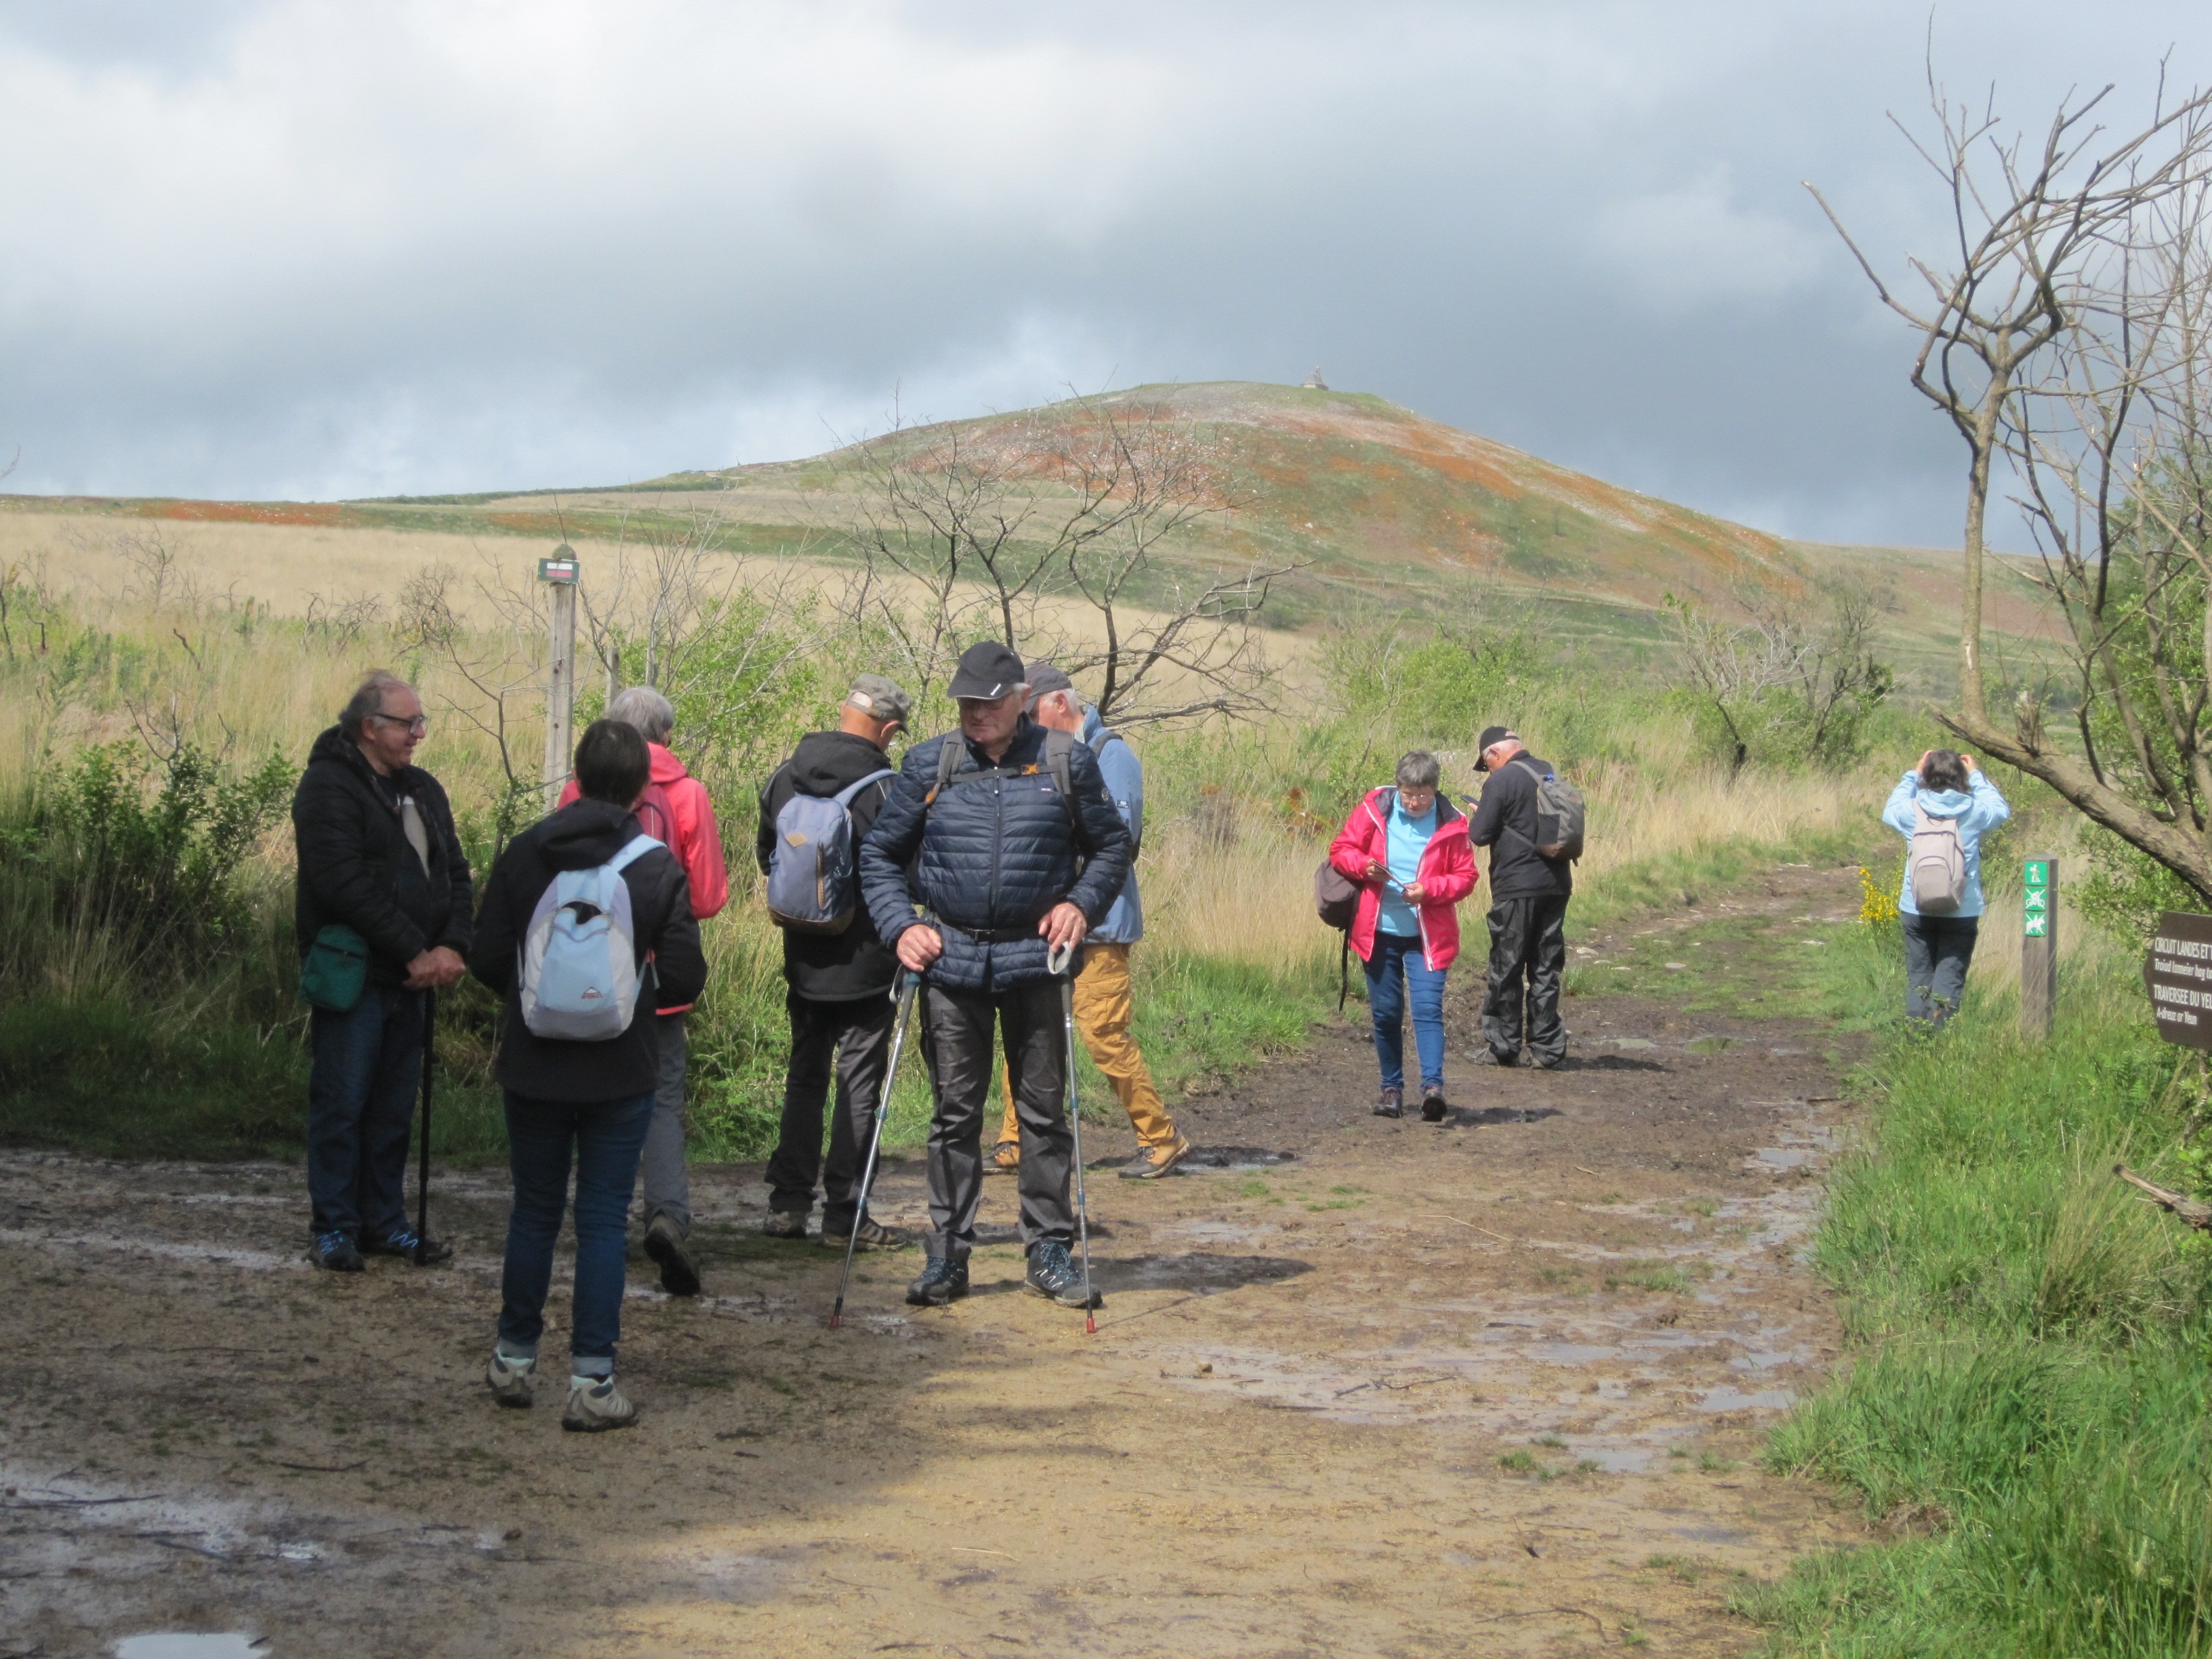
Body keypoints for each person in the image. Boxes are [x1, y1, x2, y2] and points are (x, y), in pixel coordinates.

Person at [857, 640, 1132, 1310]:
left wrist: (1079, 904)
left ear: (1018, 700)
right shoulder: (931, 762)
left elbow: (1113, 845)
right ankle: (947, 1258)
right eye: (965, 705)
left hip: (1035, 961)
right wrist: (902, 926)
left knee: (1042, 1114)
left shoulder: (1066, 761)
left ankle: (1049, 1253)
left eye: (986, 704)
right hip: (950, 962)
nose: (975, 715)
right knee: (954, 1115)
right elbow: (879, 855)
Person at [468, 719, 707, 1432]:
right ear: (642, 786)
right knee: (602, 1219)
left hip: (534, 1064)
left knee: (534, 1212)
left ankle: (513, 1362)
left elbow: (484, 959)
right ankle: (592, 1383)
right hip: (620, 1068)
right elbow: (687, 974)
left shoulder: (524, 852)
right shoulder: (656, 865)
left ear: (576, 776)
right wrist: (627, 999)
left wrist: (535, 1001)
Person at [291, 672, 472, 1272]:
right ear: (370, 728)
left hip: (415, 979)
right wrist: (411, 951)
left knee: (394, 1108)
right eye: (407, 723)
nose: (418, 734)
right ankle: (335, 1227)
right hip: (358, 977)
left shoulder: (423, 789)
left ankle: (385, 1222)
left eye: (421, 722)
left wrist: (451, 946)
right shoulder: (327, 787)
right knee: (343, 1103)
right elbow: (344, 886)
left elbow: (455, 873)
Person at [556, 685, 729, 1296]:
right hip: (660, 982)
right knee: (659, 1101)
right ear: (666, 734)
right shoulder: (688, 794)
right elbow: (707, 897)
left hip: (585, 974)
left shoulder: (578, 790)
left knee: (583, 1096)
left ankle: (589, 1219)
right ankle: (666, 1215)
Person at [990, 663, 1191, 1179]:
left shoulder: (1111, 755)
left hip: (1099, 928)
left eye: (1032, 714)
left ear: (1059, 703)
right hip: (1044, 925)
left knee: (1104, 1033)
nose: (1027, 728)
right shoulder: (1043, 754)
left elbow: (1117, 844)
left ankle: (1160, 1137)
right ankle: (1014, 1139)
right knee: (1026, 1030)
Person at [754, 674, 912, 1248]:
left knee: (805, 1078)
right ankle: (845, 1215)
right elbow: (908, 874)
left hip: (803, 956)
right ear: (889, 730)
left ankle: (787, 1205)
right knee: (858, 1084)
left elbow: (767, 856)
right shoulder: (888, 790)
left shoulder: (785, 776)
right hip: (868, 964)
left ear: (843, 711)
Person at [1329, 750, 1478, 1120]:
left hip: (1429, 937)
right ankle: (1391, 1090)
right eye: (1408, 794)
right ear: (1398, 788)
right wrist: (1364, 866)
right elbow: (1340, 851)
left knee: (1427, 1010)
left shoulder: (1454, 823)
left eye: (1423, 795)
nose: (1414, 802)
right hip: (1377, 932)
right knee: (1386, 1014)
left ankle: (1432, 1088)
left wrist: (1429, 890)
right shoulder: (1374, 809)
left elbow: (1466, 877)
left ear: (1435, 790)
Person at [1882, 748, 2011, 1028]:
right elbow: (2001, 811)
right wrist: (1976, 776)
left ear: (1927, 776)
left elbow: (1889, 810)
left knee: (1919, 977)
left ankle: (1916, 1039)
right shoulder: (1974, 811)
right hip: (1961, 909)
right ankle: (1937, 1042)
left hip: (1916, 906)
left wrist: (1913, 775)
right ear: (1961, 777)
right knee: (1949, 978)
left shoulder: (1911, 810)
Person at [1469, 725, 1573, 1069]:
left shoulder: (1500, 782)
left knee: (1507, 967)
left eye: (1488, 764)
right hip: (1556, 884)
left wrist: (1477, 812)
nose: (1489, 771)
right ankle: (1547, 1049)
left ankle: (1504, 1046)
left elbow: (1480, 835)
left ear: (1494, 754)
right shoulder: (1549, 772)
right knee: (1545, 968)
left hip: (1516, 886)